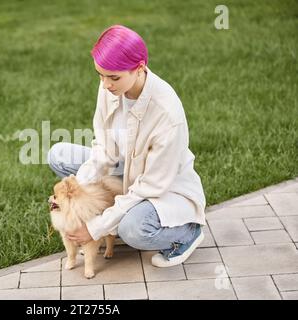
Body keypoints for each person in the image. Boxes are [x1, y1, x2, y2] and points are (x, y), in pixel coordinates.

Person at [47, 25, 206, 267]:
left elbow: (148, 186)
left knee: (134, 230)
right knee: (58, 156)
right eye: (100, 75)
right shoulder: (111, 87)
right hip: (126, 169)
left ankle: (187, 233)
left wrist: (95, 227)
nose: (105, 84)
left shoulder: (167, 114)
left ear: (140, 68)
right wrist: (77, 192)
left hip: (161, 186)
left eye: (113, 77)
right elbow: (104, 147)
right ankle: (114, 218)